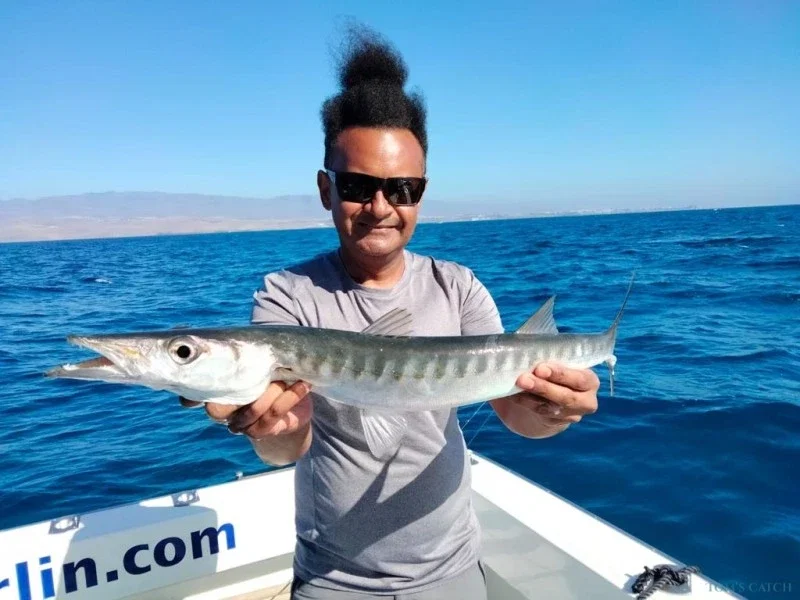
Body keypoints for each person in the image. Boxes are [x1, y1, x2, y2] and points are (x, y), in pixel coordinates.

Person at [181, 28, 599, 600]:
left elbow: (514, 411)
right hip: (333, 580)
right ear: (326, 189)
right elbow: (284, 447)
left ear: (421, 193)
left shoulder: (458, 288)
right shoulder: (287, 296)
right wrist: (273, 431)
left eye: (402, 188)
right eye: (358, 185)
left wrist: (553, 413)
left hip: (452, 571)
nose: (380, 207)